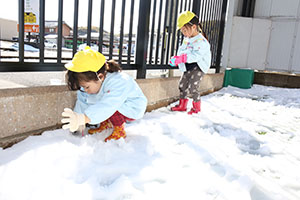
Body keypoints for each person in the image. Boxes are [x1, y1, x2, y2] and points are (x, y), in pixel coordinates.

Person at [61, 46, 147, 142]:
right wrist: (77, 122)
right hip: (113, 106)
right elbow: (82, 101)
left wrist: (85, 118)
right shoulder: (91, 83)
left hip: (132, 108)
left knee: (108, 105)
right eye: (83, 87)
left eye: (86, 87)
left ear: (100, 77)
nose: (85, 90)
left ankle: (119, 130)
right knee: (96, 101)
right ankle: (106, 123)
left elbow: (109, 105)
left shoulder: (119, 81)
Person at [169, 11, 211, 114]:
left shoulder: (202, 41)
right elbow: (182, 50)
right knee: (182, 85)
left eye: (185, 30)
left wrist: (183, 58)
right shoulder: (186, 39)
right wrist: (177, 58)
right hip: (188, 66)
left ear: (193, 27)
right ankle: (182, 105)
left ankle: (196, 107)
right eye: (182, 30)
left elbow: (196, 56)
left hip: (198, 67)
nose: (183, 33)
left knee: (193, 87)